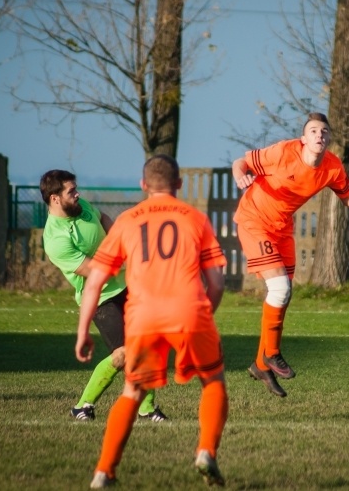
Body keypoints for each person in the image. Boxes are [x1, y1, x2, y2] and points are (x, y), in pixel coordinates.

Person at [75, 155, 228, 489]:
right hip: (190, 311)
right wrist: (204, 317)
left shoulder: (127, 221)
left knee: (132, 390)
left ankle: (104, 471)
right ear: (179, 184)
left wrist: (84, 330)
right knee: (213, 380)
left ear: (143, 185)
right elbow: (216, 283)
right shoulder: (196, 219)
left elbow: (96, 281)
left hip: (143, 317)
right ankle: (205, 451)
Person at [232, 112, 349, 397]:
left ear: (329, 138)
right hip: (254, 220)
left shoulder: (332, 166)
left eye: (324, 131)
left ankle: (260, 365)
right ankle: (271, 353)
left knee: (283, 294)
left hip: (283, 228)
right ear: (304, 138)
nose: (319, 135)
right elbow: (241, 161)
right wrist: (240, 175)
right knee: (279, 288)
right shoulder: (284, 151)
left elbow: (347, 196)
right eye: (313, 131)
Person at [40, 170, 167, 422]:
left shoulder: (81, 207)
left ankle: (146, 408)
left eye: (76, 189)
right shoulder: (55, 239)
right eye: (71, 192)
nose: (77, 195)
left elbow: (105, 218)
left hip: (126, 284)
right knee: (123, 354)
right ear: (55, 199)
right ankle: (82, 406)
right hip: (100, 297)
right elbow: (95, 271)